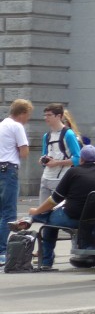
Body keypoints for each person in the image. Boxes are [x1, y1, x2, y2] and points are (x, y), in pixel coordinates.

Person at [24, 144, 95, 269]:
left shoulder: (73, 172)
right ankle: (32, 218)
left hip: (73, 218)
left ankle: (46, 261)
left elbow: (54, 199)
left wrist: (37, 211)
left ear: (81, 159)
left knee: (50, 222)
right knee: (49, 216)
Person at [0, 99, 33, 264]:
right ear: (23, 113)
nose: (27, 119)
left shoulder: (1, 125)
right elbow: (24, 152)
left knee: (1, 211)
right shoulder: (17, 126)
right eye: (28, 115)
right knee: (8, 213)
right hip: (9, 170)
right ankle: (1, 250)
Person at [38, 103, 81, 203]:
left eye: (49, 115)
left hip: (61, 179)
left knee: (57, 212)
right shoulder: (46, 136)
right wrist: (43, 160)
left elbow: (78, 158)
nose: (46, 118)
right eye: (45, 115)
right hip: (45, 178)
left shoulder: (69, 134)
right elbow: (44, 154)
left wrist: (57, 163)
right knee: (41, 213)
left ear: (59, 116)